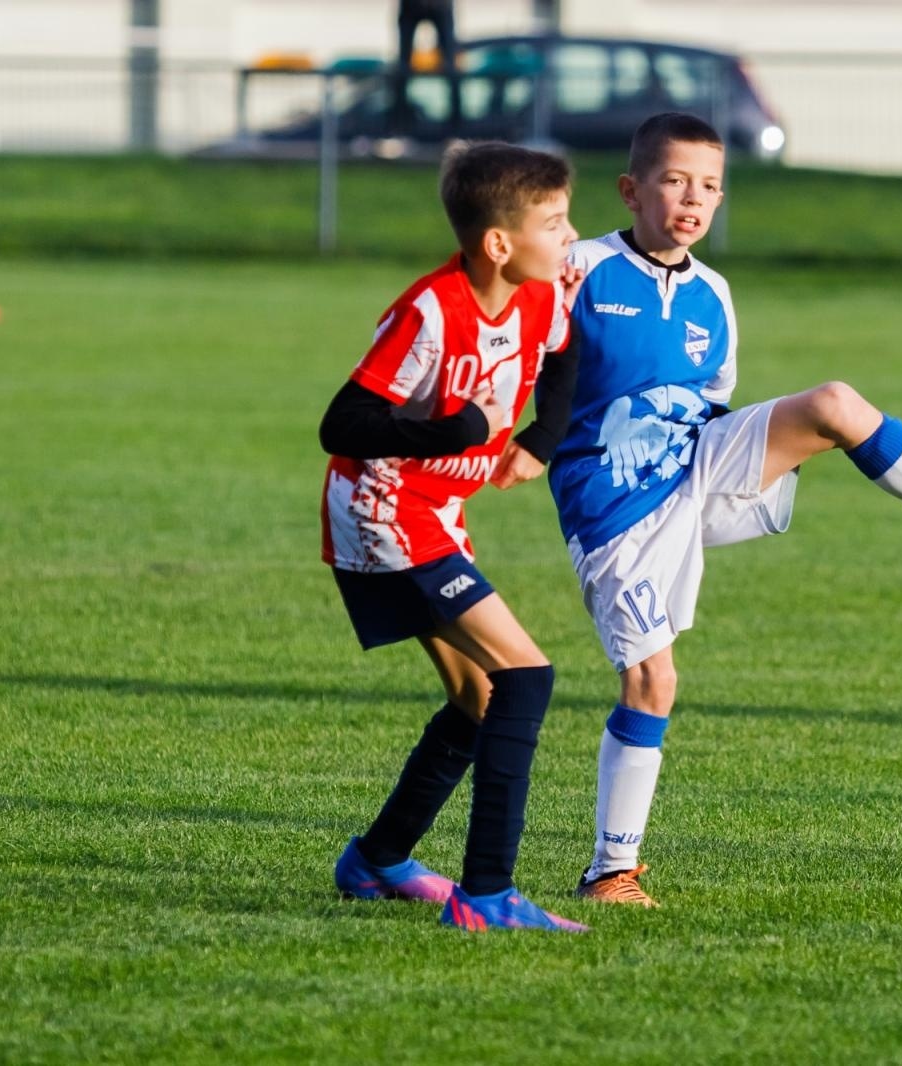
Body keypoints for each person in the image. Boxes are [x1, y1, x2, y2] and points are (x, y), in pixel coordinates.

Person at [551, 112, 902, 908]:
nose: (692, 199)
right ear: (631, 191)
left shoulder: (714, 296)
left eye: (708, 186)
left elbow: (711, 403)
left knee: (835, 404)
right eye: (672, 181)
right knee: (652, 681)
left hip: (697, 466)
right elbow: (516, 358)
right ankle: (610, 872)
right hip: (614, 506)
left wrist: (749, 461)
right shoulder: (580, 269)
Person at [319, 140, 587, 934]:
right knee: (525, 676)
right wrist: (452, 430)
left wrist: (541, 437)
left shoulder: (540, 295)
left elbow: (563, 358)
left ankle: (377, 859)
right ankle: (487, 895)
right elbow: (343, 422)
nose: (571, 235)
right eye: (556, 222)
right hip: (383, 509)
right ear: (499, 243)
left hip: (434, 512)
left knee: (477, 696)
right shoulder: (430, 311)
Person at [392, 0, 463, 135]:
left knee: (450, 67)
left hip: (438, 5)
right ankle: (397, 127)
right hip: (414, 6)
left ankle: (456, 128)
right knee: (403, 67)